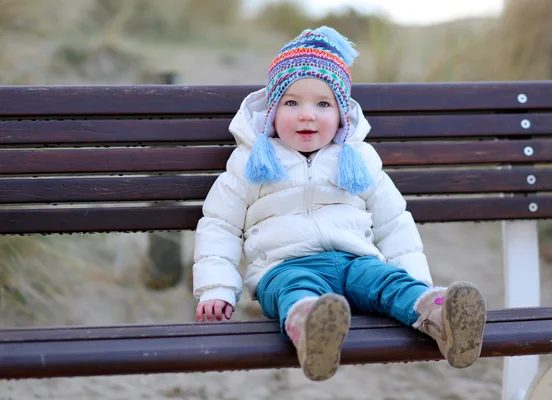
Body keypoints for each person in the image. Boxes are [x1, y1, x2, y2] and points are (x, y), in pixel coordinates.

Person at [192, 26, 486, 382]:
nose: (307, 115)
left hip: (355, 262)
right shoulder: (251, 161)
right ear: (272, 109)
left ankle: (440, 315)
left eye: (322, 103)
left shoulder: (359, 159)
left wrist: (417, 280)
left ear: (341, 113)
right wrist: (217, 287)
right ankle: (311, 328)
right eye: (291, 102)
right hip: (284, 267)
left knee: (388, 282)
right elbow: (219, 225)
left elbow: (393, 223)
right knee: (295, 290)